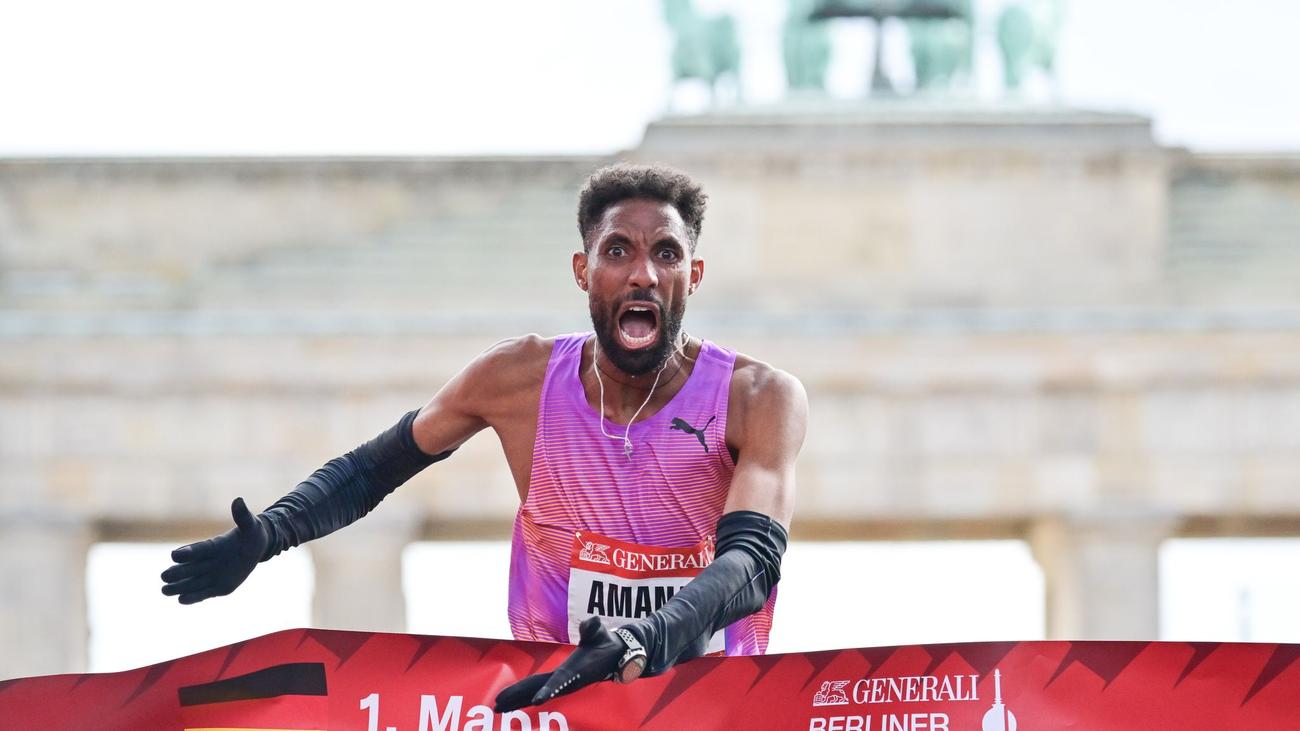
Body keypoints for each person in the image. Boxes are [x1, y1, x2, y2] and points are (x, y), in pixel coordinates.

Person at [159, 163, 808, 712]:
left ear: (693, 275)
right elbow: (373, 469)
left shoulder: (757, 398)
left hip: (709, 705)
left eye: (666, 252)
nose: (642, 274)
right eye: (619, 251)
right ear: (583, 271)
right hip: (555, 706)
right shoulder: (518, 379)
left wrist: (647, 636)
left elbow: (752, 562)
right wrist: (274, 531)